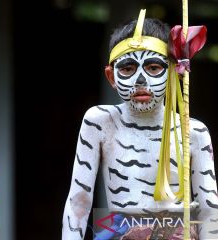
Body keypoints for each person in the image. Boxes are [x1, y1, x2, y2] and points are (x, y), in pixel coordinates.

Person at [62, 9, 218, 240]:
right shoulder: (100, 122)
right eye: (127, 69)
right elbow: (79, 201)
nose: (141, 81)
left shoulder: (194, 132)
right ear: (111, 77)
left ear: (174, 71)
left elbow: (208, 209)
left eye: (154, 68)